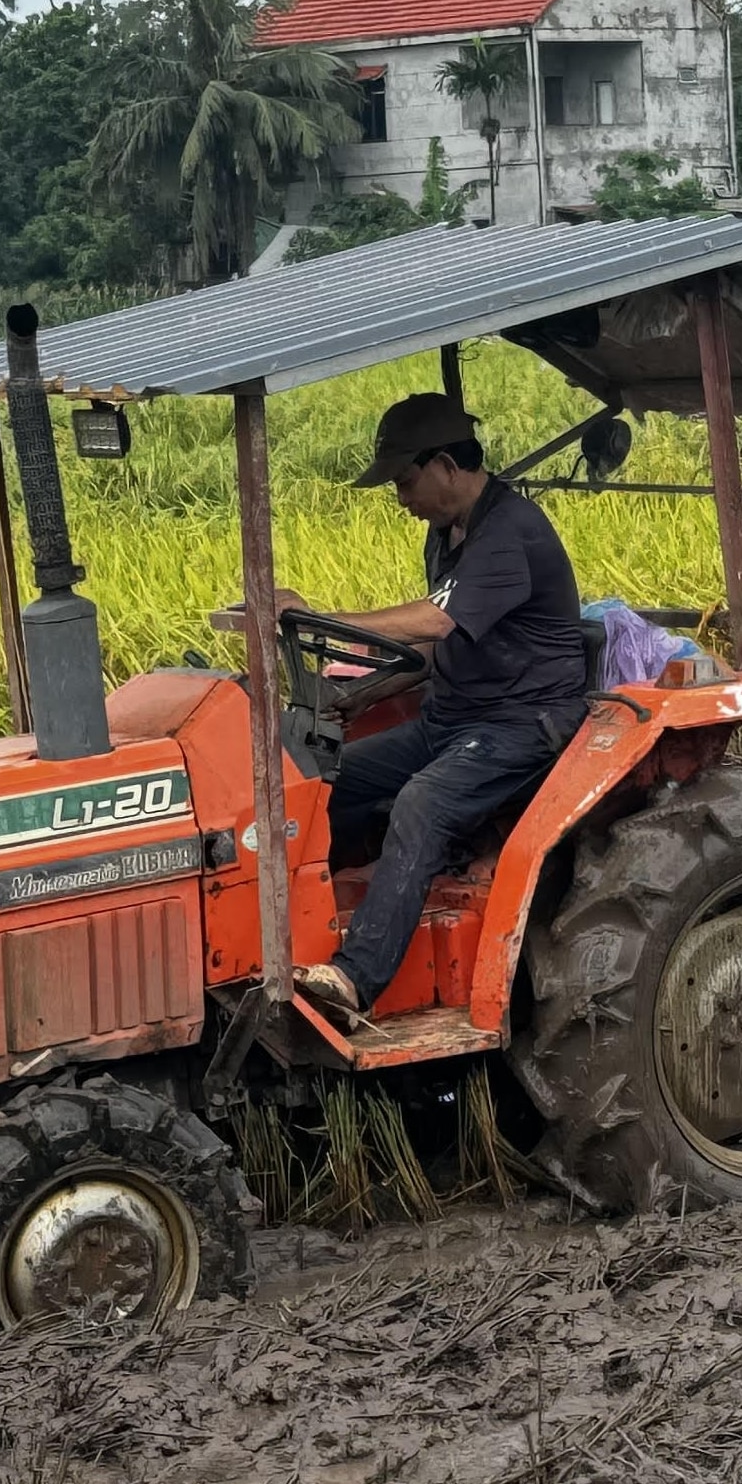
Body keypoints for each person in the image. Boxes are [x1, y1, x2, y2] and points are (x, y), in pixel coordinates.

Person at [283, 393, 589, 1025]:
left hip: (522, 726)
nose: (400, 497)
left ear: (447, 465)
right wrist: (358, 696)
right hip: (450, 721)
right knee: (318, 782)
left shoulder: (511, 531)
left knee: (422, 803)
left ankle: (354, 976)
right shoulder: (446, 534)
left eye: (404, 479)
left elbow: (435, 618)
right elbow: (429, 646)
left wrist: (313, 619)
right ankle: (291, 936)